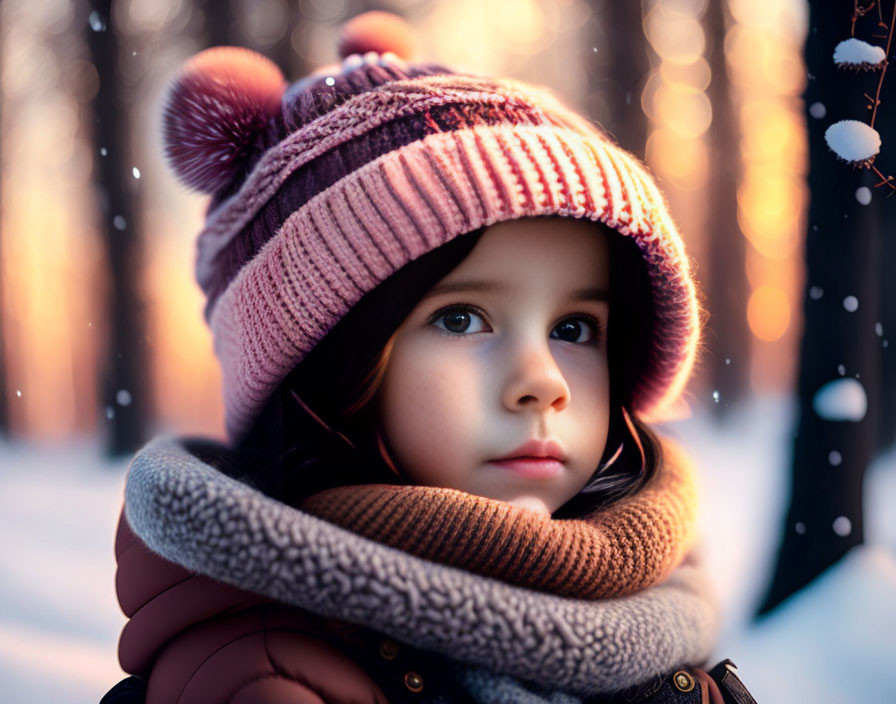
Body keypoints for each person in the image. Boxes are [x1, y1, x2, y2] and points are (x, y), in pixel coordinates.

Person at [102, 11, 757, 704]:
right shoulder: (268, 681)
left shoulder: (655, 617)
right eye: (461, 318)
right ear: (324, 369)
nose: (542, 384)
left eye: (573, 328)